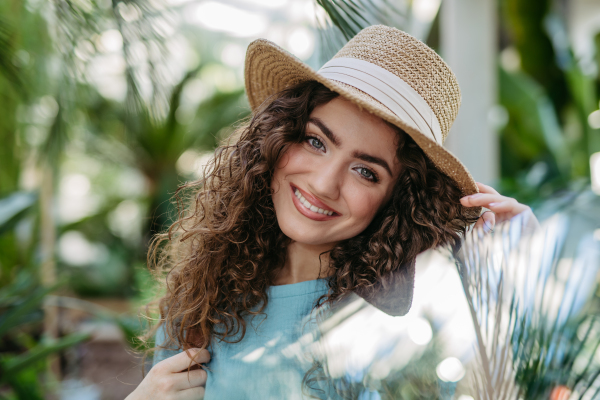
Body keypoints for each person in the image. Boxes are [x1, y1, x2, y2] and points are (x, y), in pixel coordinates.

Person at [126, 25, 535, 400]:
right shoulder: (205, 294)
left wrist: (520, 290)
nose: (323, 183)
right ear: (277, 138)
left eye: (365, 172)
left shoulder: (405, 333)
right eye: (315, 141)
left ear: (398, 198)